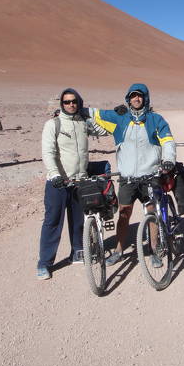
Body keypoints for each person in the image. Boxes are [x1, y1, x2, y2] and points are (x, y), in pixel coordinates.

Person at [91, 83, 176, 267]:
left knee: (151, 212)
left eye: (140, 96)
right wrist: (69, 110)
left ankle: (154, 250)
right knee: (123, 214)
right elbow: (94, 114)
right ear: (128, 99)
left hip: (149, 176)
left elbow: (168, 140)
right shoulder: (120, 118)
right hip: (127, 177)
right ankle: (119, 251)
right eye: (133, 96)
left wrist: (169, 159)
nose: (136, 99)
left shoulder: (155, 119)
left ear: (145, 99)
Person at [37, 88, 108, 280]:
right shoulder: (54, 124)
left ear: (79, 102)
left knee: (78, 220)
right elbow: (48, 152)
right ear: (62, 104)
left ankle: (77, 251)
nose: (71, 105)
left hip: (79, 181)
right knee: (53, 222)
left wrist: (120, 117)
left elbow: (105, 129)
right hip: (58, 182)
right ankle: (44, 263)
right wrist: (54, 174)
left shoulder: (83, 123)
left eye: (74, 101)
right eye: (67, 102)